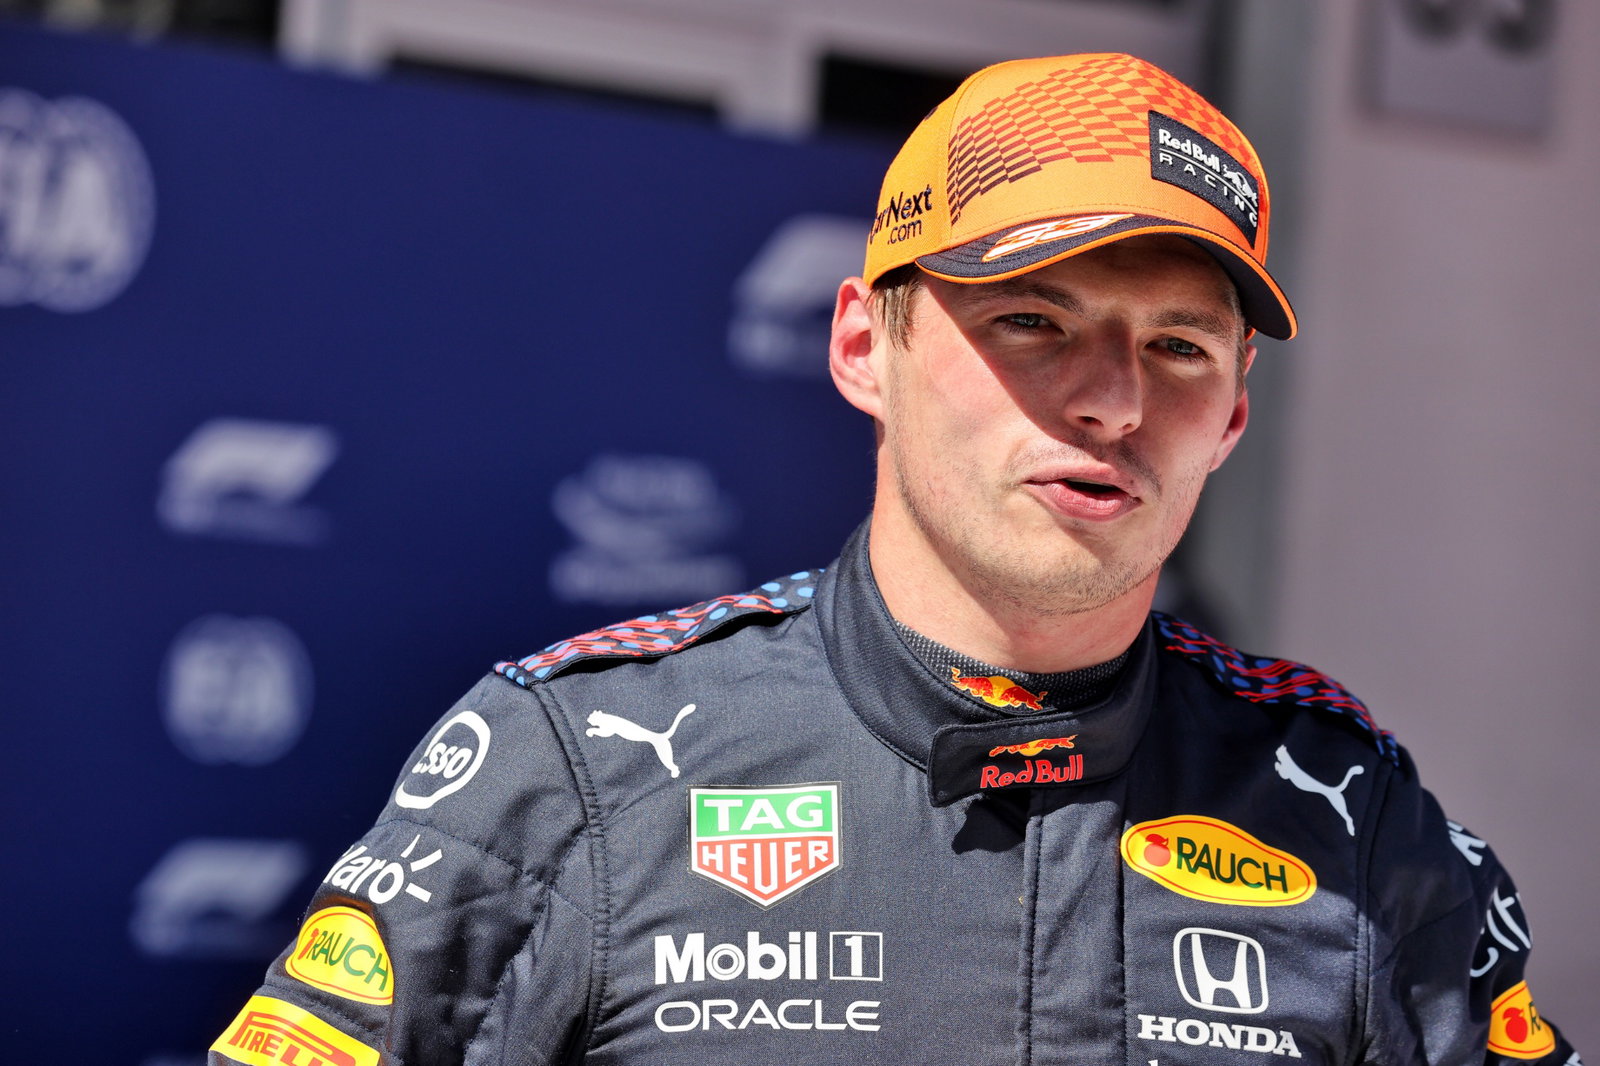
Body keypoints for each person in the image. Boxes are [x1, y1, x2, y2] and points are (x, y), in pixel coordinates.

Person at [208, 53, 1576, 1066]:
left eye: (1176, 345)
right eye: (1036, 319)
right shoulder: (578, 769)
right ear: (867, 344)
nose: (1111, 400)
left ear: (1230, 417)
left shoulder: (1350, 815)